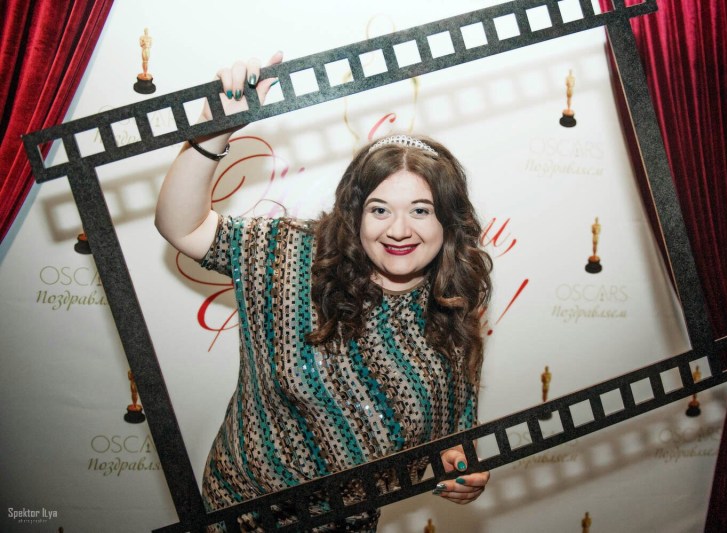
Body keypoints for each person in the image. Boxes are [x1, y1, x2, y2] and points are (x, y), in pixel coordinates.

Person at [155, 52, 493, 531]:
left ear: (448, 222)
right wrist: (213, 133)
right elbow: (180, 225)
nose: (399, 229)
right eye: (379, 210)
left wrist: (463, 474)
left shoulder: (453, 307)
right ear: (355, 214)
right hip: (238, 516)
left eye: (420, 210)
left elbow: (452, 441)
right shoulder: (292, 255)